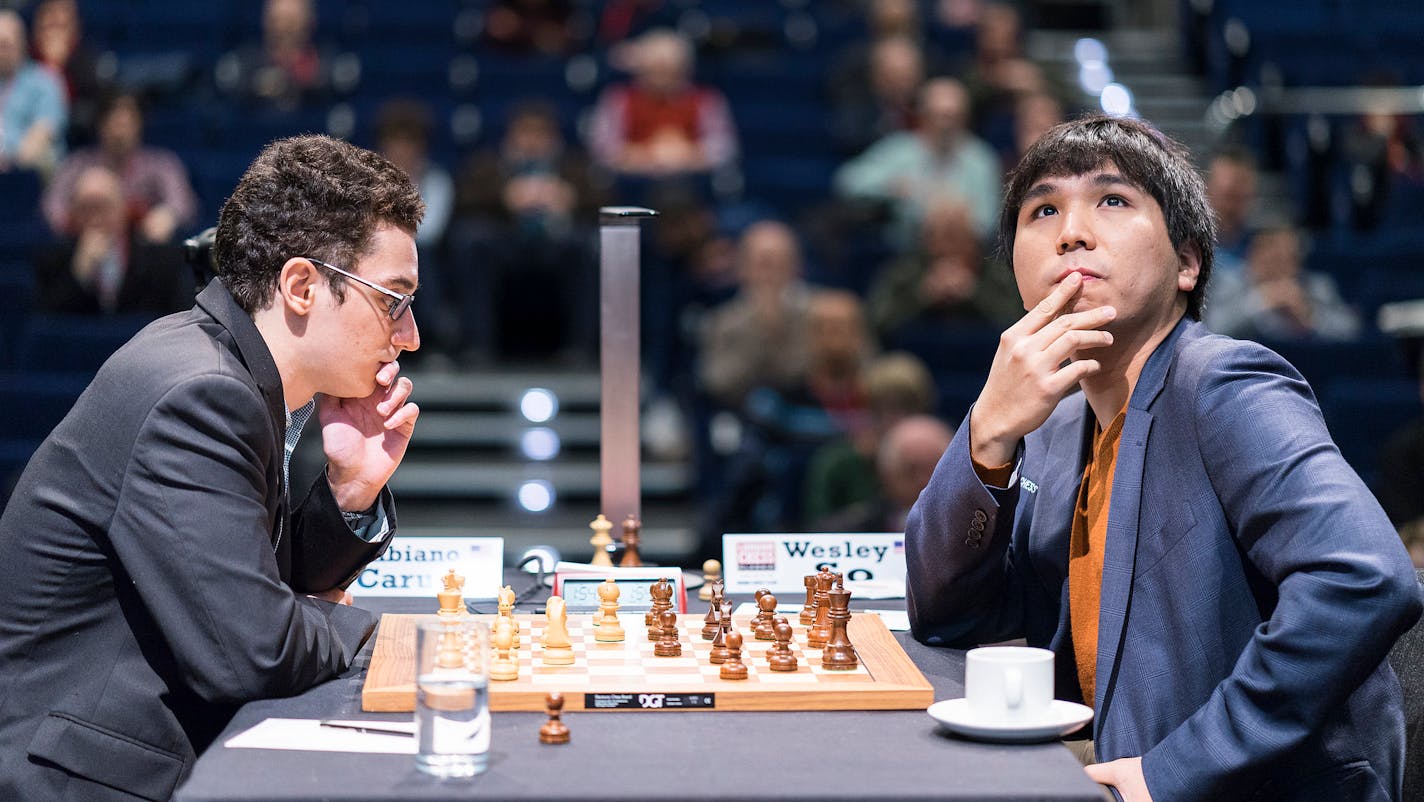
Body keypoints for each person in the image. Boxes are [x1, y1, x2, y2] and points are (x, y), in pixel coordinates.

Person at [905, 115, 1420, 801]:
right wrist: (987, 438)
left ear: (1187, 262)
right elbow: (950, 619)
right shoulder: (1060, 426)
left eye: (1113, 201)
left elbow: (1366, 578)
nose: (1072, 232)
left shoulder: (1223, 382)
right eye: (1044, 210)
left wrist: (1177, 769)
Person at [0, 134, 424, 800]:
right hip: (79, 779)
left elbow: (243, 590)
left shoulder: (221, 367)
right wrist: (392, 635)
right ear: (302, 285)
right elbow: (250, 649)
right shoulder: (199, 392)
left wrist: (348, 489)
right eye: (393, 300)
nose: (410, 336)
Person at [834, 76, 1001, 247]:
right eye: (939, 116)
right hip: (906, 251)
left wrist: (950, 218)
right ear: (923, 116)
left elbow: (988, 220)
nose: (946, 125)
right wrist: (890, 187)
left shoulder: (981, 159)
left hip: (965, 253)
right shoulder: (900, 150)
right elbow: (848, 181)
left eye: (953, 116)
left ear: (966, 118)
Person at [42, 91, 200, 243]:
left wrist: (168, 216)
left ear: (139, 125)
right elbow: (52, 208)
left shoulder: (162, 164)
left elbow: (184, 204)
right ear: (100, 125)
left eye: (127, 124)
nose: (120, 133)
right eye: (114, 124)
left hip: (143, 253)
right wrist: (77, 222)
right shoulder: (76, 164)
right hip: (87, 247)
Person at [33, 163, 190, 315]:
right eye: (85, 209)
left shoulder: (160, 259)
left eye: (102, 207)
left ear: (123, 208)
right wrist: (79, 275)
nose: (95, 219)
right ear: (73, 213)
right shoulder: (52, 258)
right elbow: (49, 319)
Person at [588, 28, 738, 177]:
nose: (661, 78)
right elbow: (602, 148)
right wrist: (647, 153)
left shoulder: (707, 100)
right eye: (655, 70)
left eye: (669, 71)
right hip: (632, 180)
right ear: (641, 70)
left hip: (690, 182)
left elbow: (724, 148)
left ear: (684, 70)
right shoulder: (618, 98)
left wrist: (688, 153)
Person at [1205, 224, 1359, 342]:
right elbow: (1214, 329)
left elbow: (1352, 330)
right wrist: (1262, 300)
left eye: (1289, 259)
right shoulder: (1231, 283)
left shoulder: (1317, 286)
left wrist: (1309, 317)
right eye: (1274, 259)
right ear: (1254, 257)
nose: (1280, 268)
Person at [0, 9, 67, 173]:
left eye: (5, 45)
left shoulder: (45, 81)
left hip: (27, 172)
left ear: (22, 44)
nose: (1, 53)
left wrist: (11, 163)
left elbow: (42, 135)